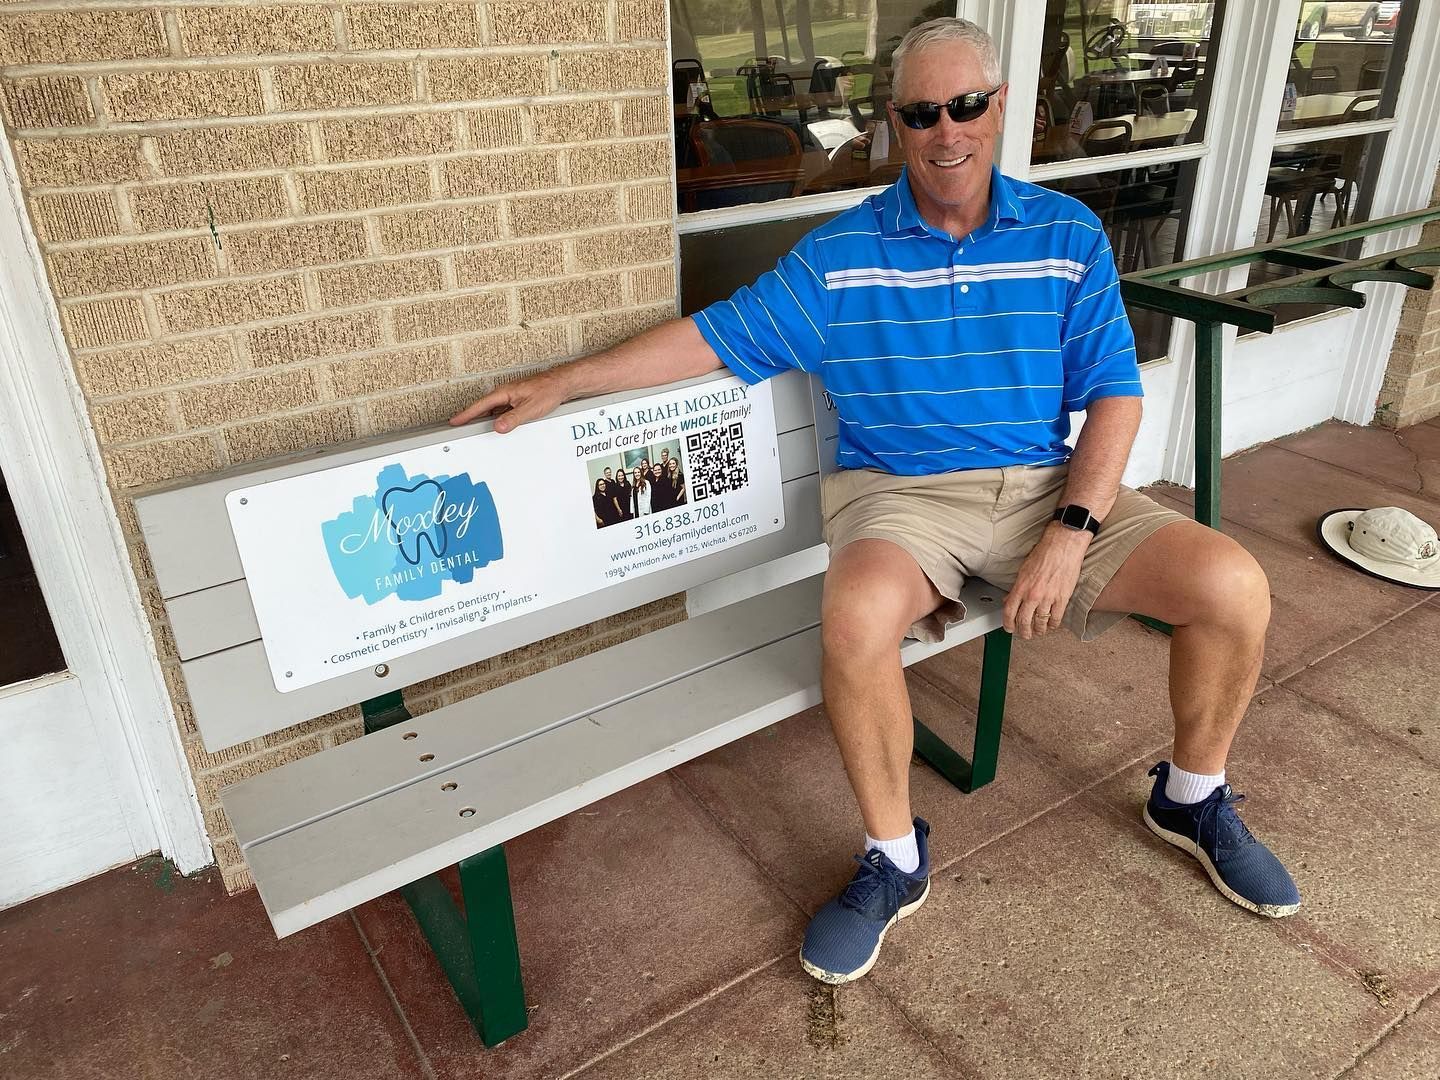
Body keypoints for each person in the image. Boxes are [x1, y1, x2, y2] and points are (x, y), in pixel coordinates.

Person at [453, 17, 1297, 987]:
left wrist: (1073, 529)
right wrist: (570, 380)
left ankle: (1191, 796)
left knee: (1235, 585)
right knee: (854, 618)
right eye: (924, 112)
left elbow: (1114, 392)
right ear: (894, 122)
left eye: (967, 105)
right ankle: (895, 858)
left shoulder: (1066, 235)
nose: (948, 131)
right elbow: (714, 337)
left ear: (1000, 105)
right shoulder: (839, 256)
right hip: (901, 502)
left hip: (1040, 489)